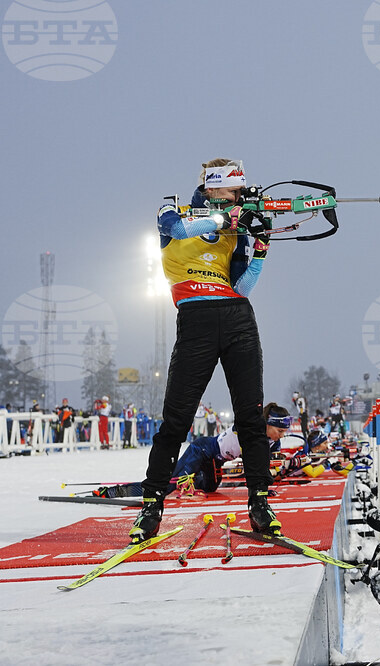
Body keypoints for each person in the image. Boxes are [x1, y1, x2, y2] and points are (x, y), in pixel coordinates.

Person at [131, 158, 277, 544]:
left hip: (237, 318)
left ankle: (260, 502)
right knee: (175, 421)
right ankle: (151, 505)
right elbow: (174, 229)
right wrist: (222, 221)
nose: (240, 198)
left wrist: (260, 249)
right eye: (235, 191)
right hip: (195, 321)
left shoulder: (237, 230)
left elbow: (242, 287)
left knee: (250, 417)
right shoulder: (174, 209)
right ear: (213, 189)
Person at [99, 403, 291, 498]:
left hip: (215, 461)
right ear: (266, 424)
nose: (281, 436)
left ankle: (190, 475)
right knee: (167, 486)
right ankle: (117, 491)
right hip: (202, 449)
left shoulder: (272, 443)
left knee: (209, 488)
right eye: (279, 430)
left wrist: (263, 488)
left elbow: (265, 467)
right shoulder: (249, 428)